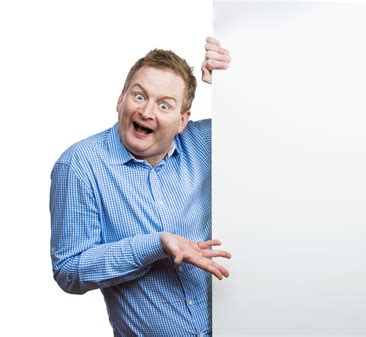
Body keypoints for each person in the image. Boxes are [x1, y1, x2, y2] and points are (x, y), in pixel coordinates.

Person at [50, 37, 232, 336]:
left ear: (182, 120)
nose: (147, 112)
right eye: (139, 96)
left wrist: (232, 86)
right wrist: (154, 245)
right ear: (120, 99)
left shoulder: (205, 142)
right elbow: (69, 271)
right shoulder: (80, 165)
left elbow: (274, 127)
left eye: (164, 105)